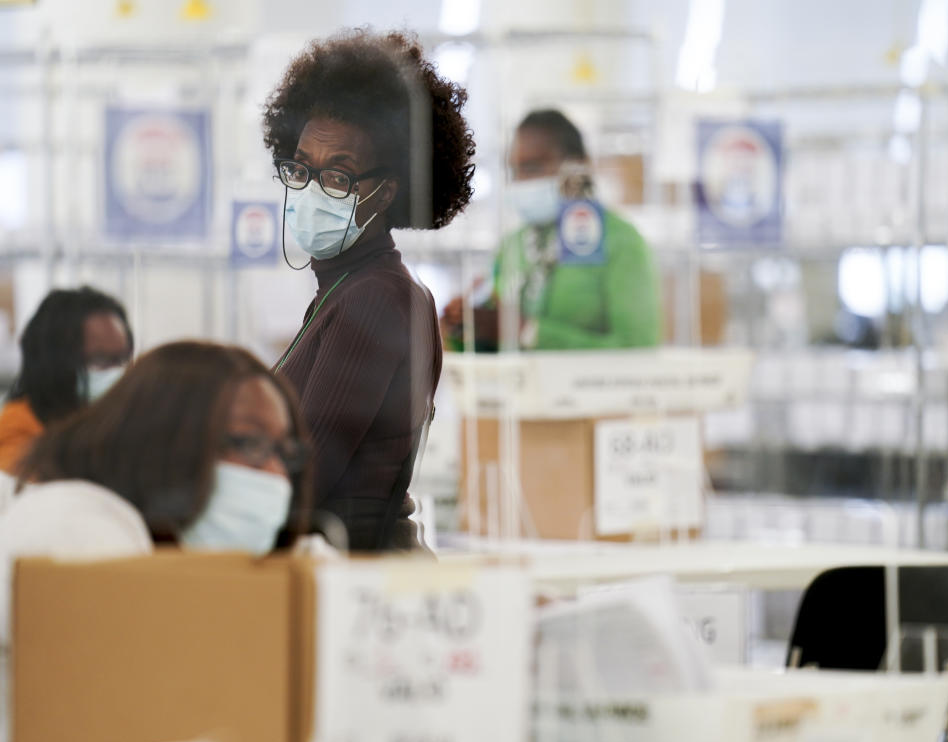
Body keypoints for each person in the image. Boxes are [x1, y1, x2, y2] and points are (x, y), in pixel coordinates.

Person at [0, 341, 312, 742]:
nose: (275, 476)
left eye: (283, 452)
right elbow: (145, 707)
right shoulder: (74, 526)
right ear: (164, 439)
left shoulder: (159, 544)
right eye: (249, 444)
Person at [262, 28, 475, 551]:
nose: (312, 191)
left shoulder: (377, 298)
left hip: (357, 584)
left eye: (339, 176)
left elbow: (305, 475)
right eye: (301, 170)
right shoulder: (346, 289)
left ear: (387, 190)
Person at [442, 109, 661, 351]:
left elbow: (639, 349)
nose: (521, 182)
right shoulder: (513, 245)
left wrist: (528, 331)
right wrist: (464, 327)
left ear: (579, 165)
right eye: (515, 171)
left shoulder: (620, 242)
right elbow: (494, 349)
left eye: (533, 168)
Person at [0, 286, 133, 474]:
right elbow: (30, 491)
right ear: (54, 360)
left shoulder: (118, 418)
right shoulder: (17, 424)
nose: (116, 373)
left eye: (122, 360)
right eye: (100, 360)